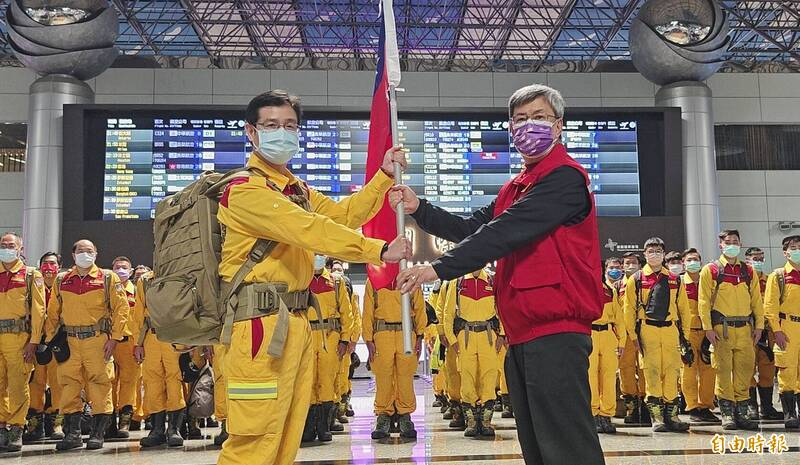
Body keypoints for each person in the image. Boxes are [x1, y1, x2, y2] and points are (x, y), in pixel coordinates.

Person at [392, 84, 605, 465]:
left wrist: (439, 268)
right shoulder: (517, 186)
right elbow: (471, 226)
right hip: (522, 333)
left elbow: (504, 231)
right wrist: (419, 208)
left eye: (539, 118)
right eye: (520, 120)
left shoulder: (565, 179)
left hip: (556, 330)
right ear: (510, 128)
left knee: (566, 445)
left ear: (559, 126)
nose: (529, 127)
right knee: (538, 445)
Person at [215, 90, 410, 465]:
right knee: (255, 438)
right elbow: (308, 229)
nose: (282, 133)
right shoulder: (243, 190)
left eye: (290, 126)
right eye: (271, 125)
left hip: (296, 323)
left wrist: (384, 176)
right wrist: (379, 250)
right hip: (258, 327)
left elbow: (341, 216)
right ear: (251, 132)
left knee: (286, 432)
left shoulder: (294, 190)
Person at [45, 239, 130, 451]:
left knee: (100, 384)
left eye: (89, 250)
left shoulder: (107, 277)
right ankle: (72, 434)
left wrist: (115, 337)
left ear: (96, 253)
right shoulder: (62, 280)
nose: (85, 254)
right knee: (68, 385)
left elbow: (122, 308)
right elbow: (53, 313)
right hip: (69, 342)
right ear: (73, 255)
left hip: (98, 340)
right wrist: (50, 340)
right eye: (81, 251)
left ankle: (97, 433)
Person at [623, 238, 691, 433]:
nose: (655, 254)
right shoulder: (636, 279)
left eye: (659, 250)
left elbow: (684, 309)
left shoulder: (674, 279)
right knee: (652, 372)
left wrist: (684, 336)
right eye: (651, 250)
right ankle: (657, 417)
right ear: (644, 254)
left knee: (672, 371)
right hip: (647, 330)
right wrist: (633, 337)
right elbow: (629, 310)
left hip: (670, 330)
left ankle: (672, 416)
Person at [698, 230, 763, 431]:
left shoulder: (748, 271)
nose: (732, 245)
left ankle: (742, 413)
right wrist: (707, 328)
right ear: (721, 245)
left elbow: (757, 301)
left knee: (745, 371)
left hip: (745, 329)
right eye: (728, 242)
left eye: (735, 241)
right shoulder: (711, 270)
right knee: (723, 372)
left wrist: (759, 326)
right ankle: (727, 414)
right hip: (721, 329)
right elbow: (703, 301)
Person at [362, 277, 425, 440]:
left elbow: (419, 308)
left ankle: (405, 416)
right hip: (382, 334)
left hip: (407, 334)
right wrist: (368, 339)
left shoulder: (410, 279)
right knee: (383, 378)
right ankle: (383, 416)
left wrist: (420, 336)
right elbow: (368, 310)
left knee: (405, 377)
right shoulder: (373, 281)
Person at [0, 233, 46, 452]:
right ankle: (1, 427)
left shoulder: (30, 275)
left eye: (11, 245)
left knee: (18, 385)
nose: (7, 248)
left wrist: (34, 341)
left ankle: (17, 426)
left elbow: (39, 311)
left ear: (20, 248)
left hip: (19, 338)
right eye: (3, 245)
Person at [301, 255, 354, 443]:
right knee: (307, 381)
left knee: (327, 380)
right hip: (306, 336)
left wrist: (345, 339)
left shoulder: (336, 281)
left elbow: (347, 313)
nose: (317, 258)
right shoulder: (301, 278)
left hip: (330, 336)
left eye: (320, 255)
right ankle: (308, 426)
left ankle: (324, 424)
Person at [133, 270, 186, 448]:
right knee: (152, 381)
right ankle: (156, 430)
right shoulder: (145, 280)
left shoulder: (181, 273)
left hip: (175, 335)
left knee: (175, 379)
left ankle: (174, 429)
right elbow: (139, 311)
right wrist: (137, 343)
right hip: (151, 336)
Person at [25, 252, 64, 443]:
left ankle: (57, 423)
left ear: (59, 266)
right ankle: (34, 424)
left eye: (52, 263)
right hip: (35, 341)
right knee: (35, 383)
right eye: (45, 264)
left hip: (57, 342)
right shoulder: (32, 284)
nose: (48, 267)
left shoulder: (64, 285)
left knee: (58, 383)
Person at [764, 235, 800, 430]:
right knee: (787, 371)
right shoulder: (778, 276)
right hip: (786, 327)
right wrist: (776, 331)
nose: (797, 251)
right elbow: (770, 307)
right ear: (785, 252)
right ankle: (789, 412)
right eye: (794, 248)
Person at [679, 248, 719, 423]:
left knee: (708, 371)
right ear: (683, 263)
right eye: (689, 260)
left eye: (696, 259)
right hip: (686, 334)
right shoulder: (678, 282)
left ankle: (705, 406)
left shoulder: (708, 282)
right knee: (688, 370)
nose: (693, 263)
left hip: (707, 332)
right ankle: (692, 407)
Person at [744, 246, 782, 421]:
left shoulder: (771, 280)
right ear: (747, 260)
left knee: (768, 369)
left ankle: (767, 406)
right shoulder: (743, 280)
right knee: (748, 368)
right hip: (748, 330)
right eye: (755, 258)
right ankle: (751, 406)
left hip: (768, 330)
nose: (758, 261)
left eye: (761, 258)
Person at [590, 258, 625, 434]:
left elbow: (619, 318)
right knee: (590, 377)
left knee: (609, 376)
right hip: (589, 334)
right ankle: (593, 413)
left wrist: (622, 341)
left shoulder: (610, 290)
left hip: (608, 335)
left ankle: (606, 414)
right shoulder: (582, 288)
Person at [106, 256, 140, 439]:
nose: (121, 270)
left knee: (129, 382)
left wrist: (139, 344)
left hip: (129, 343)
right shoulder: (106, 290)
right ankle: (108, 420)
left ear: (131, 271)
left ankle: (125, 420)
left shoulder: (136, 291)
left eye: (124, 267)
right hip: (109, 342)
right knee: (108, 381)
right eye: (117, 267)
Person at [618, 252, 649, 424]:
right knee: (626, 370)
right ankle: (631, 407)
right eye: (627, 263)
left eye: (634, 262)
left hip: (642, 332)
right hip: (624, 336)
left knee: (644, 369)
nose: (630, 265)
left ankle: (645, 406)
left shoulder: (643, 282)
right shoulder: (616, 286)